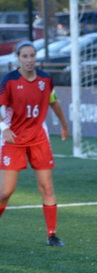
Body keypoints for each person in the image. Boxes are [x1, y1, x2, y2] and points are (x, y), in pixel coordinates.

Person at [0, 41, 69, 246]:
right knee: (5, 191)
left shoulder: (46, 79)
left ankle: (52, 234)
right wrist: (4, 128)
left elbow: (53, 101)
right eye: (25, 56)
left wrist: (64, 124)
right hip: (13, 139)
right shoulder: (9, 80)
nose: (29, 60)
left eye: (32, 56)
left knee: (46, 187)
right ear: (18, 58)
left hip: (38, 138)